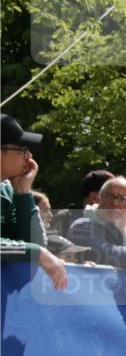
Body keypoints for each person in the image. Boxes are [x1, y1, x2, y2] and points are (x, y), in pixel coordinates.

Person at [1, 114, 68, 289]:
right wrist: (37, 253)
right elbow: (36, 250)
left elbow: (35, 242)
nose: (29, 156)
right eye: (22, 150)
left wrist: (23, 191)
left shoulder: (7, 189)